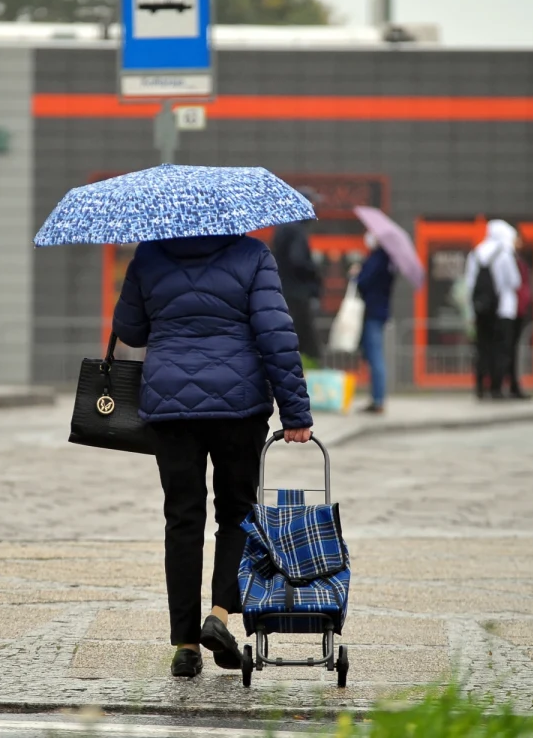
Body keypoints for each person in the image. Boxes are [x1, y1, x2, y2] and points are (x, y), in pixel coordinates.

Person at [113, 233, 313, 679]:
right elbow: (275, 333)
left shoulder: (149, 254)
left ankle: (185, 645)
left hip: (169, 406)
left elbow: (131, 330)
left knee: (182, 518)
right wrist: (295, 410)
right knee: (237, 513)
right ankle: (218, 616)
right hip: (239, 405)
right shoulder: (252, 255)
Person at [464, 219, 521, 400]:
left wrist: (472, 310)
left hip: (481, 308)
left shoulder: (476, 253)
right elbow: (514, 281)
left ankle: (480, 386)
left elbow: (470, 283)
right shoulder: (504, 253)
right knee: (501, 350)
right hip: (503, 309)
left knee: (483, 349)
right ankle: (496, 388)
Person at [271, 188, 323, 364]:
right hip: (297, 294)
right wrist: (314, 272)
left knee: (293, 339)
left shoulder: (284, 227)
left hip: (285, 291)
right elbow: (298, 260)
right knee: (306, 340)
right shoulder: (295, 230)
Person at [355, 233, 396, 414]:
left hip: (373, 312)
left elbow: (364, 282)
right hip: (378, 312)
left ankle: (378, 399)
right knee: (373, 356)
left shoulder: (379, 258)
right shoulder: (388, 260)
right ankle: (375, 398)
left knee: (375, 355)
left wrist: (358, 273)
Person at [510, 237, 533, 400]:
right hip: (511, 310)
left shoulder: (519, 261)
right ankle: (508, 385)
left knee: (512, 350)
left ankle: (513, 385)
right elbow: (514, 283)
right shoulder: (508, 259)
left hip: (517, 309)